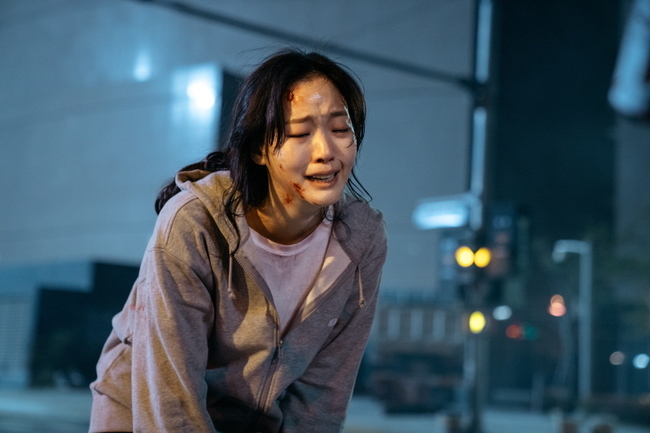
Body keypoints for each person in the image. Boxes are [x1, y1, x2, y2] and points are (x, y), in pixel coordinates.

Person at [89, 49, 387, 433]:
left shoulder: (360, 239)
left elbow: (323, 396)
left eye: (341, 129)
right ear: (259, 149)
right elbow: (171, 397)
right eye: (300, 134)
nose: (326, 152)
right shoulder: (194, 223)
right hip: (144, 412)